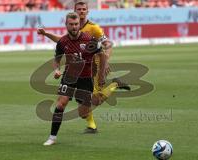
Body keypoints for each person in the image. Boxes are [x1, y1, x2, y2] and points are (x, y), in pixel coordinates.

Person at [37, 0, 130, 134]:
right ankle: (91, 124)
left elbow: (107, 43)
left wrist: (106, 59)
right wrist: (46, 34)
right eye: (78, 9)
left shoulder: (94, 28)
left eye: (83, 9)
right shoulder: (72, 26)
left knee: (96, 100)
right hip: (75, 72)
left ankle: (114, 85)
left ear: (87, 11)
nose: (81, 11)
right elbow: (61, 40)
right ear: (74, 11)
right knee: (85, 106)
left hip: (93, 67)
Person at [43, 12, 104, 146]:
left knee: (83, 113)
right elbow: (57, 59)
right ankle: (52, 138)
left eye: (76, 24)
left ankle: (98, 98)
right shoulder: (62, 41)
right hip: (69, 76)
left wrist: (102, 70)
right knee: (61, 104)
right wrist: (57, 70)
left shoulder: (89, 40)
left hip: (86, 77)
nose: (74, 27)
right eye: (71, 24)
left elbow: (101, 54)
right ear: (66, 25)